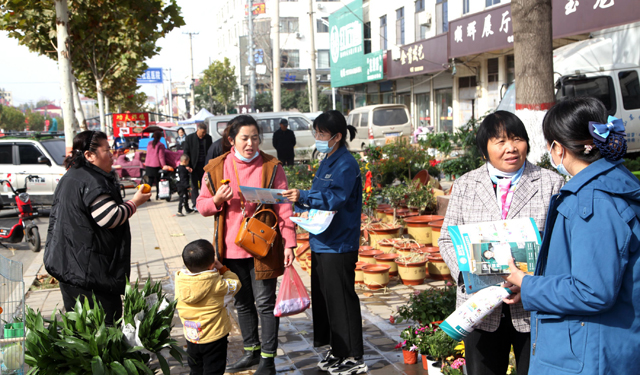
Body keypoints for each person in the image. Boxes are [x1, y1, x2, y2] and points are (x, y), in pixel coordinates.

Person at [503, 97, 640, 375]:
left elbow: (593, 290)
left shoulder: (593, 200)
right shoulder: (615, 182)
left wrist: (528, 285)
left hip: (587, 353)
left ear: (558, 148)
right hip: (602, 343)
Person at [438, 111, 565, 375]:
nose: (511, 148)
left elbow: (559, 245)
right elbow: (447, 238)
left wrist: (531, 283)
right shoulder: (465, 185)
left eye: (517, 139)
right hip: (479, 306)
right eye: (500, 141)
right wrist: (465, 275)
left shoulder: (551, 184)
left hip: (531, 305)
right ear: (484, 150)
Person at [197, 115, 296, 375]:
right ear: (232, 140)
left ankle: (268, 359)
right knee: (242, 303)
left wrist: (289, 243)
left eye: (255, 138)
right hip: (231, 249)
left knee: (265, 303)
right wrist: (216, 199)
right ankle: (251, 352)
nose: (250, 143)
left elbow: (284, 206)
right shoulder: (216, 168)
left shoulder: (272, 166)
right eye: (244, 138)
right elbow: (202, 206)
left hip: (263, 248)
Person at [280, 111, 367, 375]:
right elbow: (321, 197)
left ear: (337, 137)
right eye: (316, 133)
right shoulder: (328, 159)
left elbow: (335, 198)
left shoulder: (346, 164)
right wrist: (302, 203)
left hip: (339, 244)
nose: (317, 138)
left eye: (322, 134)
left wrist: (303, 195)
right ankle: (337, 349)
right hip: (322, 240)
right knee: (327, 299)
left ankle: (353, 355)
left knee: (341, 298)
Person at [44, 130, 151, 326]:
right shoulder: (92, 181)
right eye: (107, 150)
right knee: (104, 333)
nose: (112, 155)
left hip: (69, 266)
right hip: (89, 274)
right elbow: (109, 217)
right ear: (89, 155)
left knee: (82, 329)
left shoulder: (73, 175)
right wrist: (135, 202)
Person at [175, 239, 241, 375]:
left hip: (191, 335)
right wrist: (223, 269)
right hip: (214, 337)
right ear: (212, 265)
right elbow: (235, 284)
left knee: (195, 368)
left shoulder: (179, 280)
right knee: (213, 369)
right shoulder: (217, 286)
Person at [184, 122, 213, 209]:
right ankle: (195, 204)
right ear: (198, 130)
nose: (204, 134)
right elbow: (186, 152)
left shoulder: (208, 138)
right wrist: (187, 165)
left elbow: (210, 152)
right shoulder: (189, 138)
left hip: (204, 166)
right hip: (193, 166)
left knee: (205, 185)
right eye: (202, 132)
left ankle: (205, 203)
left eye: (205, 132)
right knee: (194, 186)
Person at [145, 130, 168, 200]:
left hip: (148, 164)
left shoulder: (149, 143)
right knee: (158, 181)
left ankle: (147, 196)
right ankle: (158, 195)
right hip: (156, 165)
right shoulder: (160, 145)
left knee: (150, 181)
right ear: (160, 137)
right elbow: (161, 156)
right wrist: (164, 165)